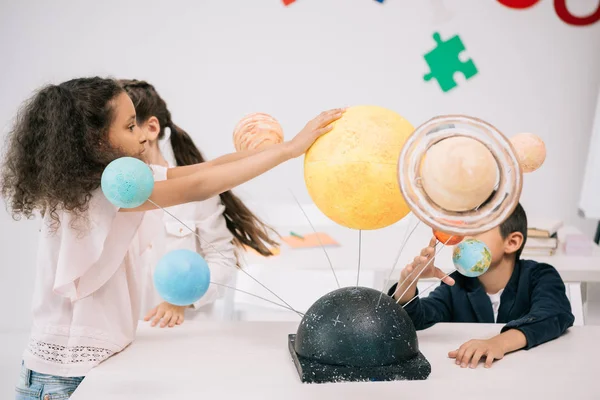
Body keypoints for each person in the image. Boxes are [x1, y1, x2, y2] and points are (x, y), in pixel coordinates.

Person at [1, 76, 343, 399]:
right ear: (96, 140)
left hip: (92, 368)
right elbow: (196, 187)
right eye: (129, 126)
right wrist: (290, 151)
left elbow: (204, 171)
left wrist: (281, 148)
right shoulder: (103, 192)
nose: (141, 136)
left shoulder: (118, 180)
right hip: (62, 379)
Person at [120, 79, 279, 327]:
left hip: (186, 333)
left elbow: (223, 260)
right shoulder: (115, 196)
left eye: (127, 127)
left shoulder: (194, 192)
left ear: (150, 128)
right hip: (129, 334)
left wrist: (183, 300)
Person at [389, 203, 574, 369]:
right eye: (460, 231)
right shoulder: (456, 284)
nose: (461, 239)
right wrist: (409, 282)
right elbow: (414, 320)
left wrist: (498, 343)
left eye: (475, 229)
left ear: (512, 242)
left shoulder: (540, 276)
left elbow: (554, 314)